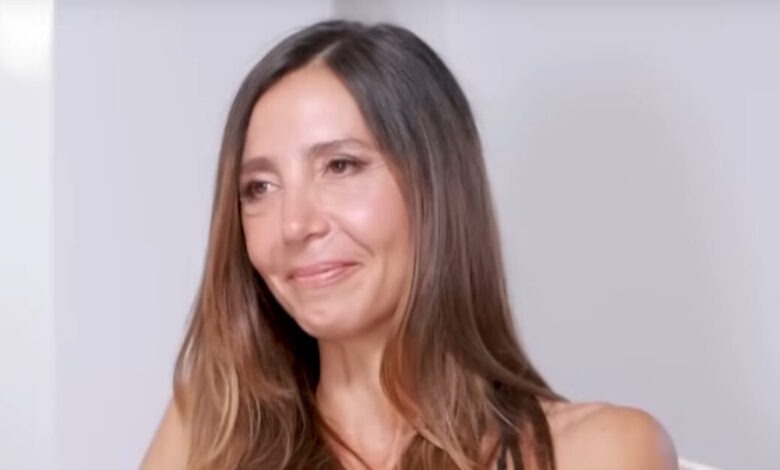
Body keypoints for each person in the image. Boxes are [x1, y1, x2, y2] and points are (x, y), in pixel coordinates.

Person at [141, 20, 677, 470]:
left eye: (341, 166)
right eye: (259, 187)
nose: (294, 225)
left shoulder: (599, 451)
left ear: (436, 188)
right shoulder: (208, 434)